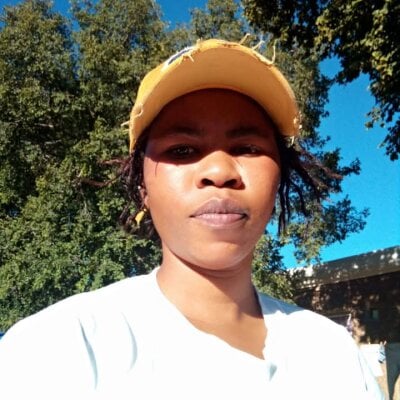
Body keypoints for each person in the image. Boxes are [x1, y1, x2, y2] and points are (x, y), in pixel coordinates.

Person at [0, 38, 383, 399]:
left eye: (247, 148)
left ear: (279, 178)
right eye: (182, 150)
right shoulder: (58, 349)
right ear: (143, 188)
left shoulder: (334, 356)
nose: (219, 171)